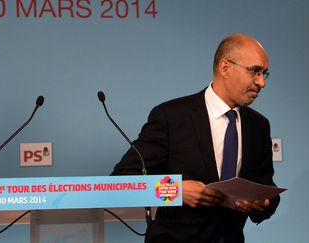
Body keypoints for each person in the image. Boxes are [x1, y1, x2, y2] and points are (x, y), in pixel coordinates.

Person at [112, 33, 280, 243]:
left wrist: (262, 204)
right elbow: (121, 180)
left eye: (265, 73)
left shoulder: (259, 126)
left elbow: (266, 187)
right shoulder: (171, 117)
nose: (261, 82)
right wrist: (176, 191)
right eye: (254, 71)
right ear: (225, 67)